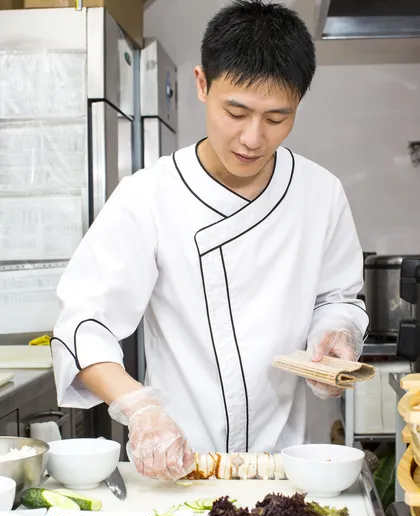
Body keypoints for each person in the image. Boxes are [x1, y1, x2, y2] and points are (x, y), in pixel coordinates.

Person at [51, 0, 368, 482]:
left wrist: (337, 335)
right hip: (176, 462)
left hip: (283, 466)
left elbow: (338, 298)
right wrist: (139, 409)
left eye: (276, 118)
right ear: (202, 84)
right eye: (235, 112)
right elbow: (84, 324)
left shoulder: (320, 192)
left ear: (298, 105)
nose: (252, 138)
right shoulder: (149, 195)